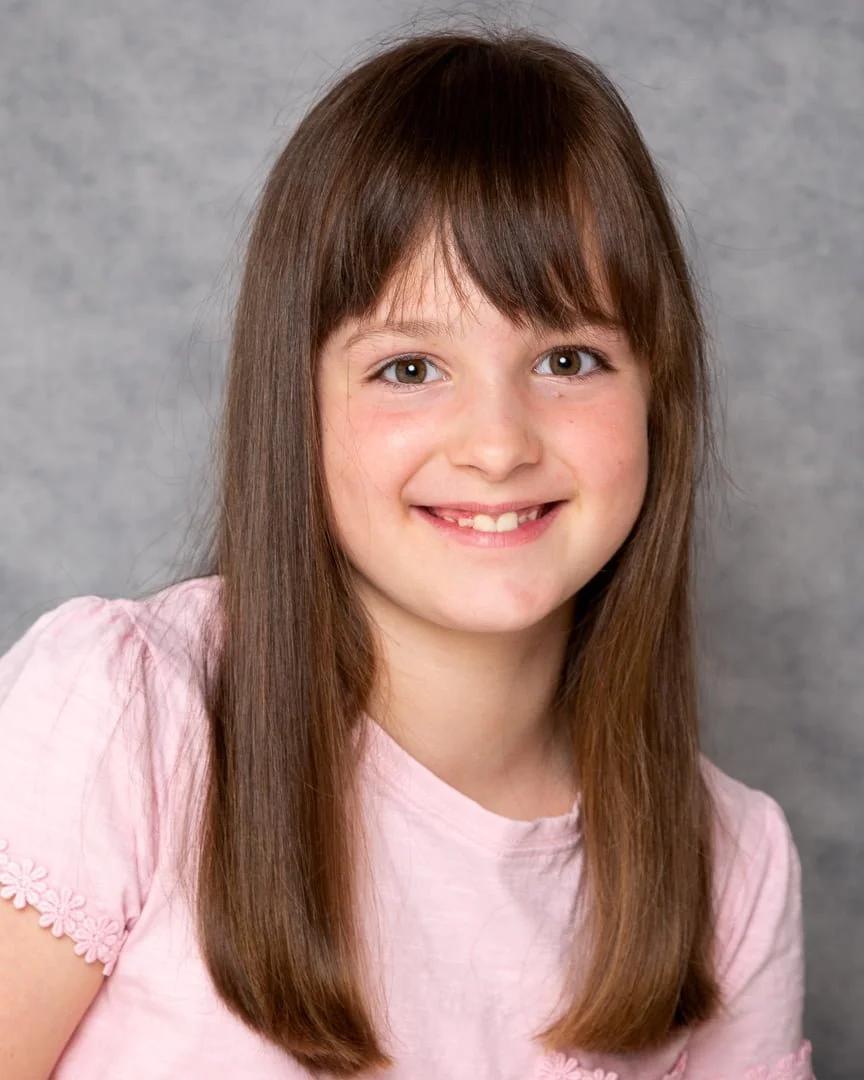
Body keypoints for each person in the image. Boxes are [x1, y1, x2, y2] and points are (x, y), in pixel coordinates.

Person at [0, 24, 814, 1080]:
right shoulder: (128, 721)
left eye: (569, 358)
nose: (496, 444)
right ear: (297, 404)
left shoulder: (731, 873)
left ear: (660, 393)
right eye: (409, 367)